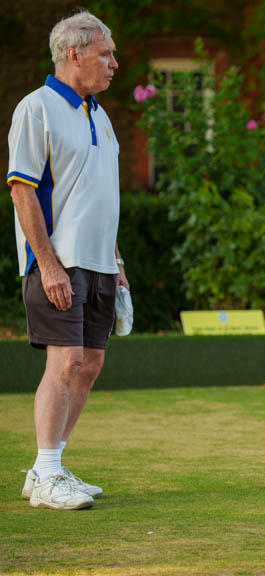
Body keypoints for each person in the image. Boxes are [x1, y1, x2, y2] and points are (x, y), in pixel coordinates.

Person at [7, 10, 127, 510]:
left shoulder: (97, 112)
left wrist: (117, 262)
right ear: (73, 54)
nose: (114, 64)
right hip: (59, 261)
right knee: (66, 361)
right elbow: (21, 190)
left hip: (100, 262)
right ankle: (49, 473)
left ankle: (47, 469)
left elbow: (101, 193)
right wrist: (48, 264)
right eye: (106, 54)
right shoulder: (35, 108)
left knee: (91, 362)